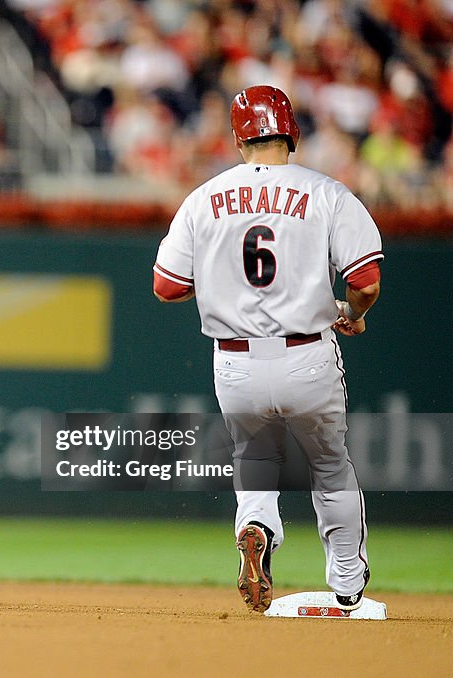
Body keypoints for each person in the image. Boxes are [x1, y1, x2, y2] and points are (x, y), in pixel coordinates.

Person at [153, 85, 382, 613]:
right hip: (307, 353)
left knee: (254, 458)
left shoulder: (204, 198)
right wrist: (353, 315)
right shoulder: (326, 192)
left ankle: (257, 525)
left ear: (238, 138)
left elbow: (166, 286)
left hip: (234, 360)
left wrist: (218, 281)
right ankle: (346, 583)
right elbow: (365, 280)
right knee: (330, 467)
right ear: (293, 134)